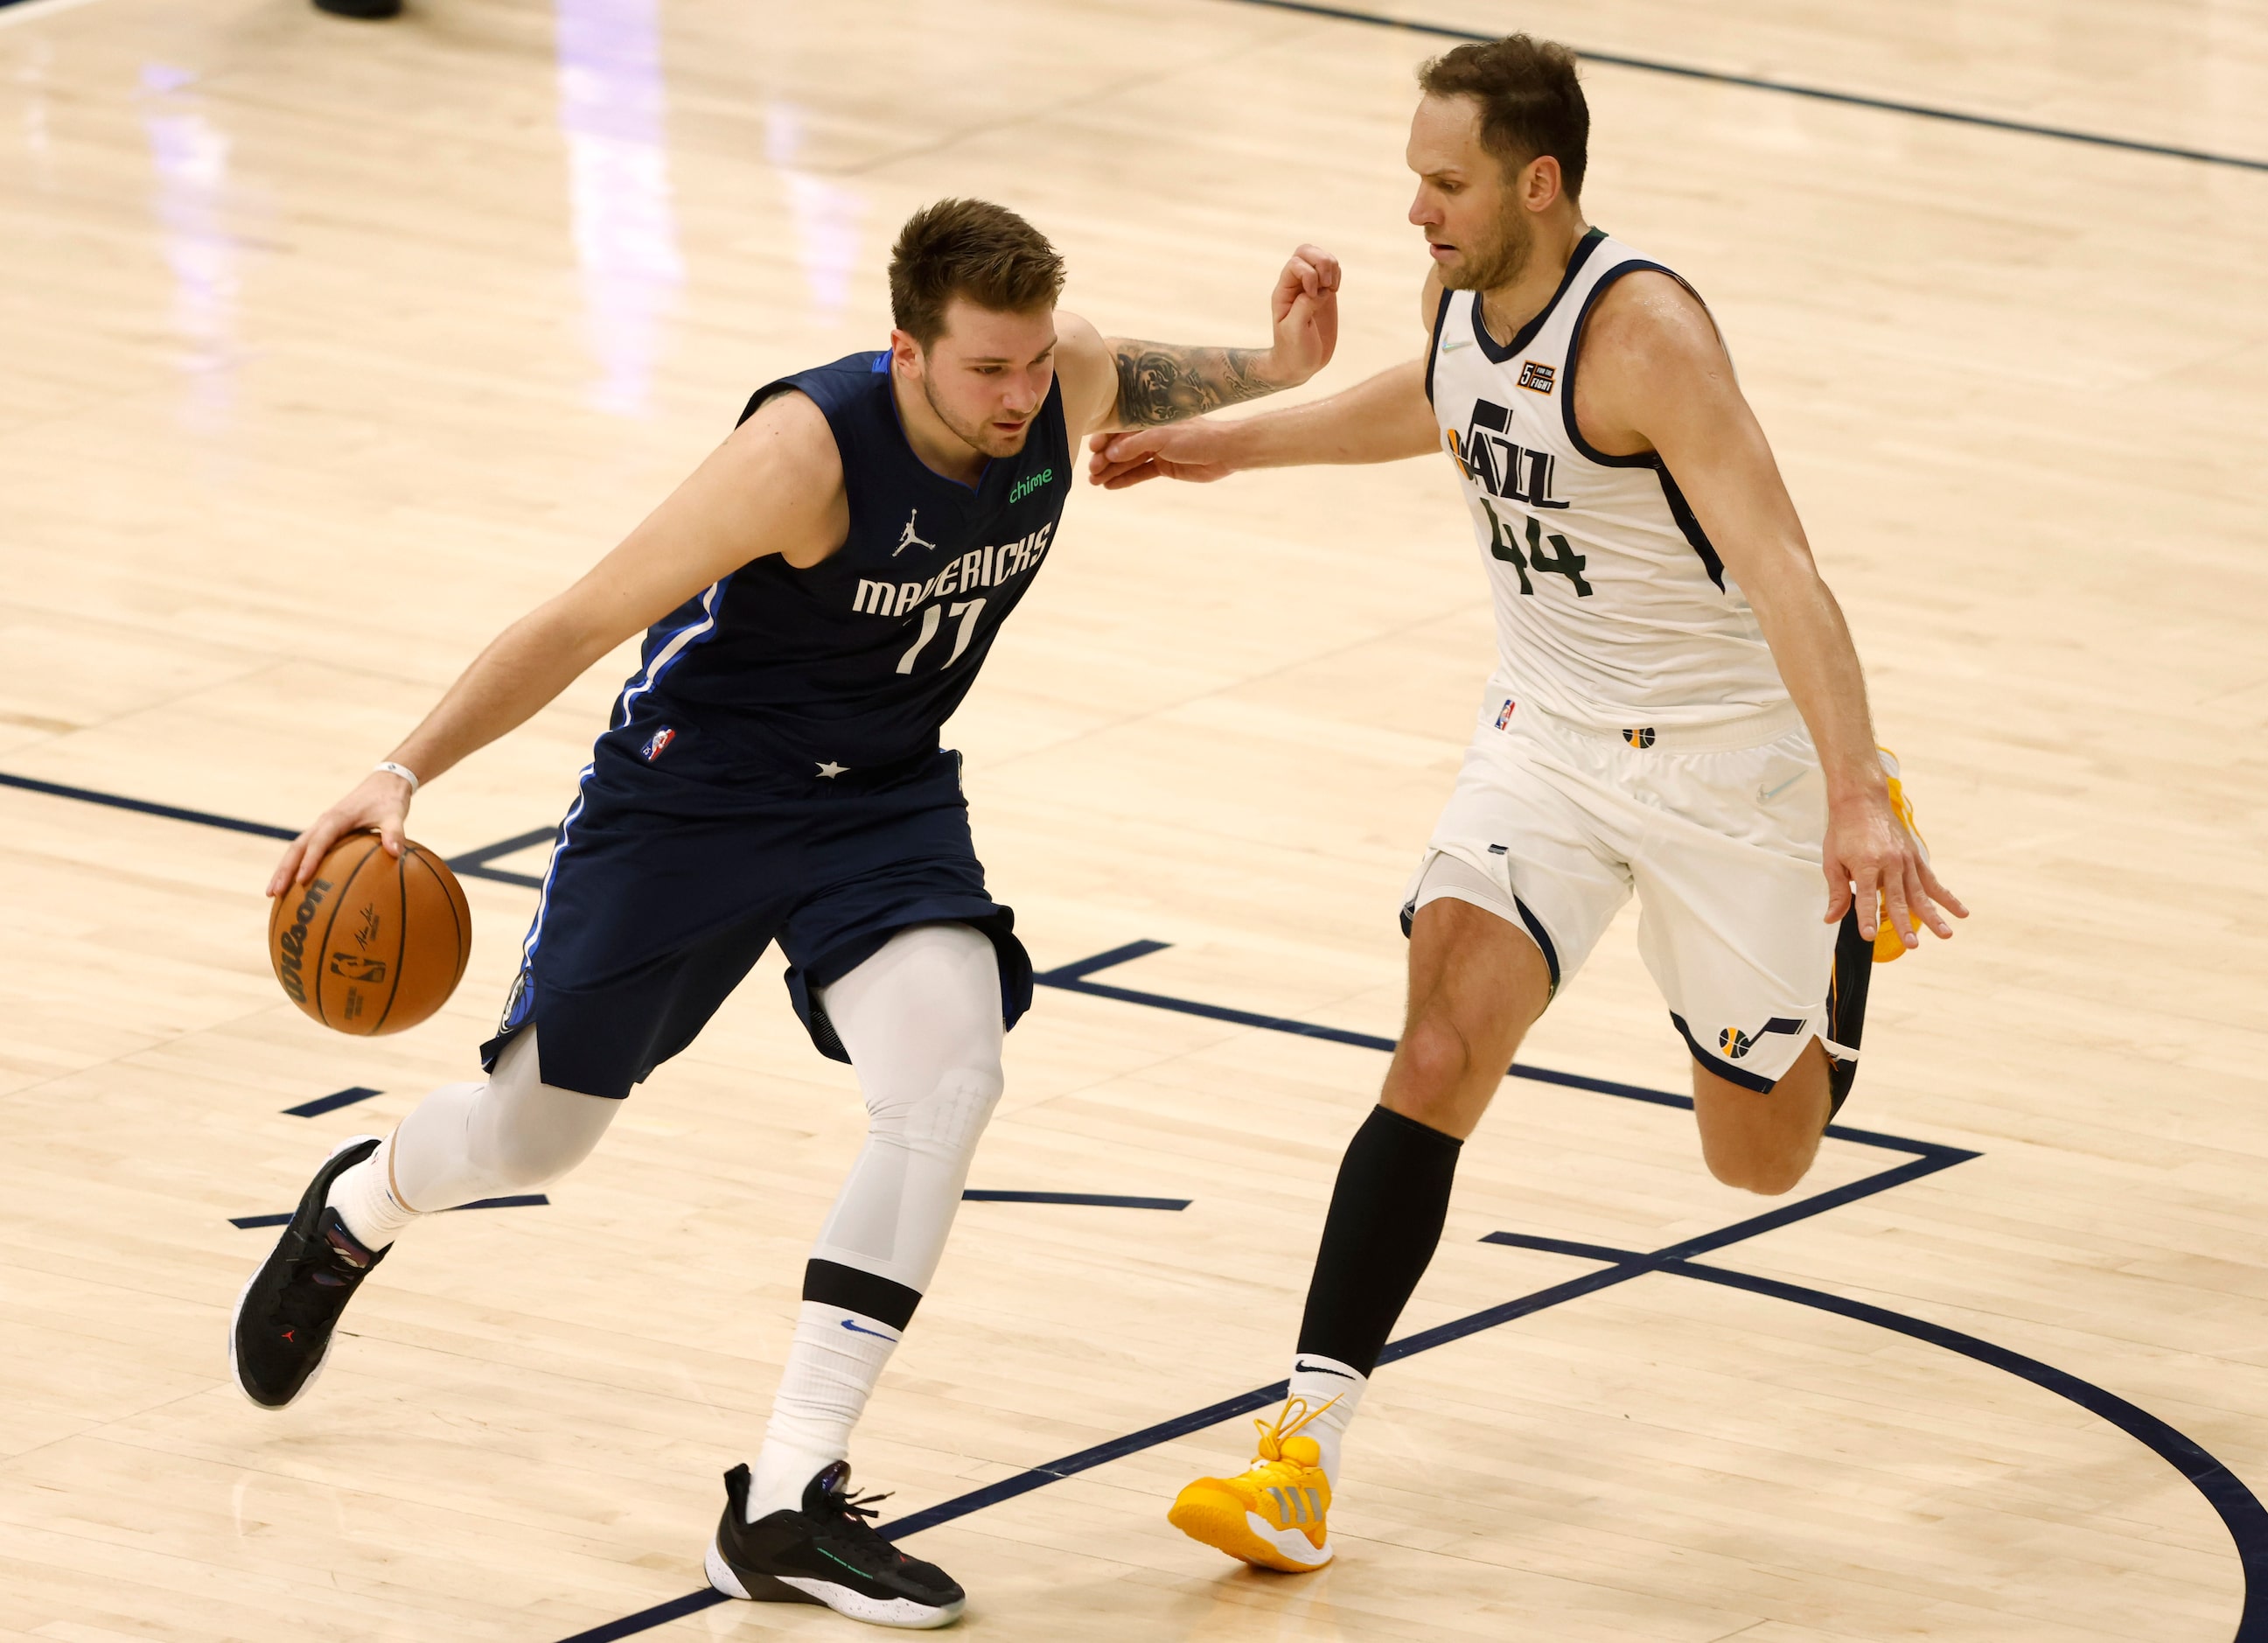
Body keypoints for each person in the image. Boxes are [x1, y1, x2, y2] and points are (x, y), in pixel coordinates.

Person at [235, 198, 1340, 1627]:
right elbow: (578, 619)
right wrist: (397, 773)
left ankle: (783, 1498)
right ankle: (360, 1199)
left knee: (949, 1077)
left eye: (1028, 366)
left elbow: (1128, 366)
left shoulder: (1054, 371)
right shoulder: (800, 454)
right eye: (984, 371)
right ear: (904, 352)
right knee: (536, 1137)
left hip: (879, 798)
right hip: (691, 803)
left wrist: (1275, 364)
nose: (1020, 399)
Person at [1087, 35, 1965, 1577]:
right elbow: (1432, 403)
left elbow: (1784, 570)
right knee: (1434, 1044)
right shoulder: (1458, 293)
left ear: (1535, 183)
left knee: (1755, 1162)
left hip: (1722, 764)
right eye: (1414, 178)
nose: (1416, 211)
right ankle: (1300, 1445)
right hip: (1544, 739)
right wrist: (1216, 441)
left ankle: (1835, 924)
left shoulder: (1648, 339)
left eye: (1444, 182)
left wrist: (1848, 792)